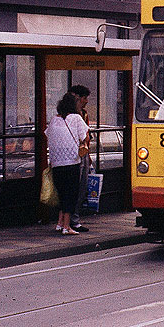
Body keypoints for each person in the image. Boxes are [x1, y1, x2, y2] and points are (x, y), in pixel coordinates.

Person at [45, 92, 88, 235]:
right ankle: (67, 227)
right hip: (71, 161)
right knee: (71, 194)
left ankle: (59, 223)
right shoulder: (76, 118)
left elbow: (48, 135)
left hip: (56, 162)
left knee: (62, 194)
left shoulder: (53, 120)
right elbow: (84, 136)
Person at [68, 85, 92, 233]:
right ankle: (70, 221)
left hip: (83, 153)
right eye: (84, 98)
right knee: (73, 188)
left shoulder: (83, 114)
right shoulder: (70, 116)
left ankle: (73, 219)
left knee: (81, 187)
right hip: (72, 155)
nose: (86, 101)